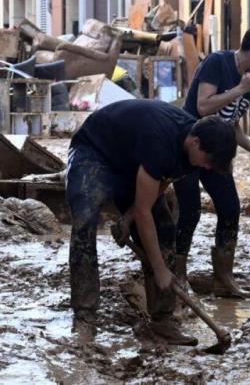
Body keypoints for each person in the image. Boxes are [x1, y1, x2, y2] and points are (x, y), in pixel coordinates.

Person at [66, 99, 237, 344]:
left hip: (135, 163)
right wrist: (159, 269)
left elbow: (160, 183)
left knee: (165, 229)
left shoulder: (193, 150)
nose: (208, 167)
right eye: (208, 160)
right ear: (195, 142)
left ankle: (163, 320)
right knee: (84, 220)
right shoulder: (162, 142)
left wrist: (127, 218)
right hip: (95, 152)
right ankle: (84, 317)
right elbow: (144, 211)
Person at [173, 21, 250, 298]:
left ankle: (224, 277)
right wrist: (239, 89)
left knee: (230, 207)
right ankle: (178, 275)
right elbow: (203, 105)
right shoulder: (218, 63)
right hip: (192, 145)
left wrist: (249, 144)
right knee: (190, 210)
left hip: (218, 150)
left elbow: (230, 121)